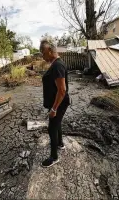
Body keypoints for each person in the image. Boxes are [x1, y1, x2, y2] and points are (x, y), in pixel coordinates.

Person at [40, 39, 70, 168]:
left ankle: (54, 157)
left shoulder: (57, 65)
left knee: (52, 127)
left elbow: (62, 90)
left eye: (43, 52)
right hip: (58, 102)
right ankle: (60, 144)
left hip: (59, 103)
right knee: (57, 123)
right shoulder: (56, 64)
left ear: (50, 51)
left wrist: (54, 109)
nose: (43, 56)